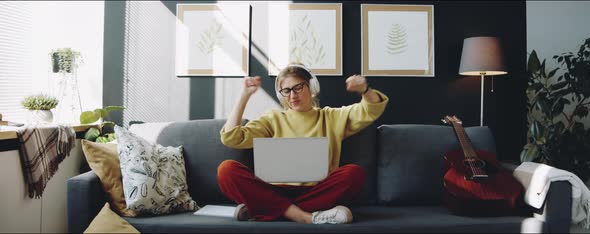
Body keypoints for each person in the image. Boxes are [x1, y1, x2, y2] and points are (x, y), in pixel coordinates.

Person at [217, 63, 389, 224]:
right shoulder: (272, 119)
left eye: (298, 87)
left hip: (317, 191)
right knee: (226, 170)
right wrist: (244, 96)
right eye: (286, 90)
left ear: (312, 87)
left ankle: (262, 208)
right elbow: (231, 137)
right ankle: (303, 217)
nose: (292, 95)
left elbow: (371, 109)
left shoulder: (332, 117)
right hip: (275, 190)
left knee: (354, 173)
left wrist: (365, 90)